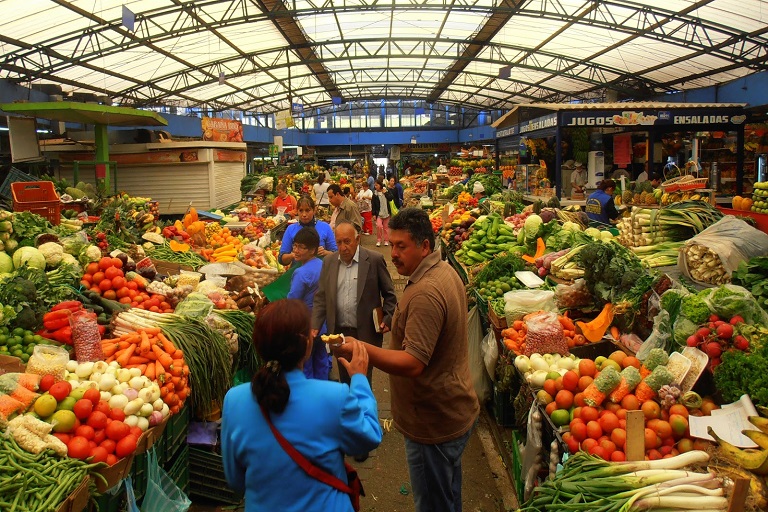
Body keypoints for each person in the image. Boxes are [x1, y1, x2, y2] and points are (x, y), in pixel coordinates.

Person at [329, 208, 479, 512]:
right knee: (448, 497)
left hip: (432, 423)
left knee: (434, 504)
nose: (393, 254)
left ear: (424, 246)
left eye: (401, 246)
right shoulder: (443, 271)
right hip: (450, 410)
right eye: (392, 244)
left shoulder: (426, 292)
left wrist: (362, 350)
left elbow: (413, 363)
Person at [222, 299, 382, 512]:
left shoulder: (234, 401)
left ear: (258, 345)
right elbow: (369, 436)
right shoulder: (334, 397)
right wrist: (360, 381)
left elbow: (236, 481)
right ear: (307, 345)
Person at [311, 220, 398, 387]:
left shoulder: (374, 260)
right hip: (339, 334)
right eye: (339, 242)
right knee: (345, 378)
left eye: (347, 241)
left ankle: (364, 411)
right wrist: (315, 324)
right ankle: (350, 410)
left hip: (365, 334)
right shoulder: (329, 262)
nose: (343, 247)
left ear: (357, 240)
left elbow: (390, 295)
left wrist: (387, 318)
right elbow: (321, 297)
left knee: (363, 380)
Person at [286, 227, 330, 380]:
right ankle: (323, 393)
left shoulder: (301, 273)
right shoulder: (322, 264)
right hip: (323, 324)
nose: (296, 250)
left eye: (301, 247)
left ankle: (309, 397)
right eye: (295, 245)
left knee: (306, 363)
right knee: (322, 361)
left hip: (305, 326)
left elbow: (293, 301)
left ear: (312, 250)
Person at [279, 196, 337, 266]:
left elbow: (336, 255)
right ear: (297, 211)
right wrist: (294, 255)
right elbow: (281, 259)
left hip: (321, 272)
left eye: (307, 210)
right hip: (299, 273)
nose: (304, 214)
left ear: (314, 210)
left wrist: (325, 252)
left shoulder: (325, 227)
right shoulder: (290, 229)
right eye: (301, 210)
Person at [371, 179, 393, 247]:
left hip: (386, 213)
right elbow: (373, 204)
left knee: (386, 228)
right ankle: (379, 240)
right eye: (375, 185)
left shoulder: (386, 190)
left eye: (376, 185)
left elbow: (391, 198)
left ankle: (386, 240)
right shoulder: (375, 194)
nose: (375, 186)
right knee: (379, 226)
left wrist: (385, 193)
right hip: (379, 214)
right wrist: (374, 214)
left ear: (380, 185)